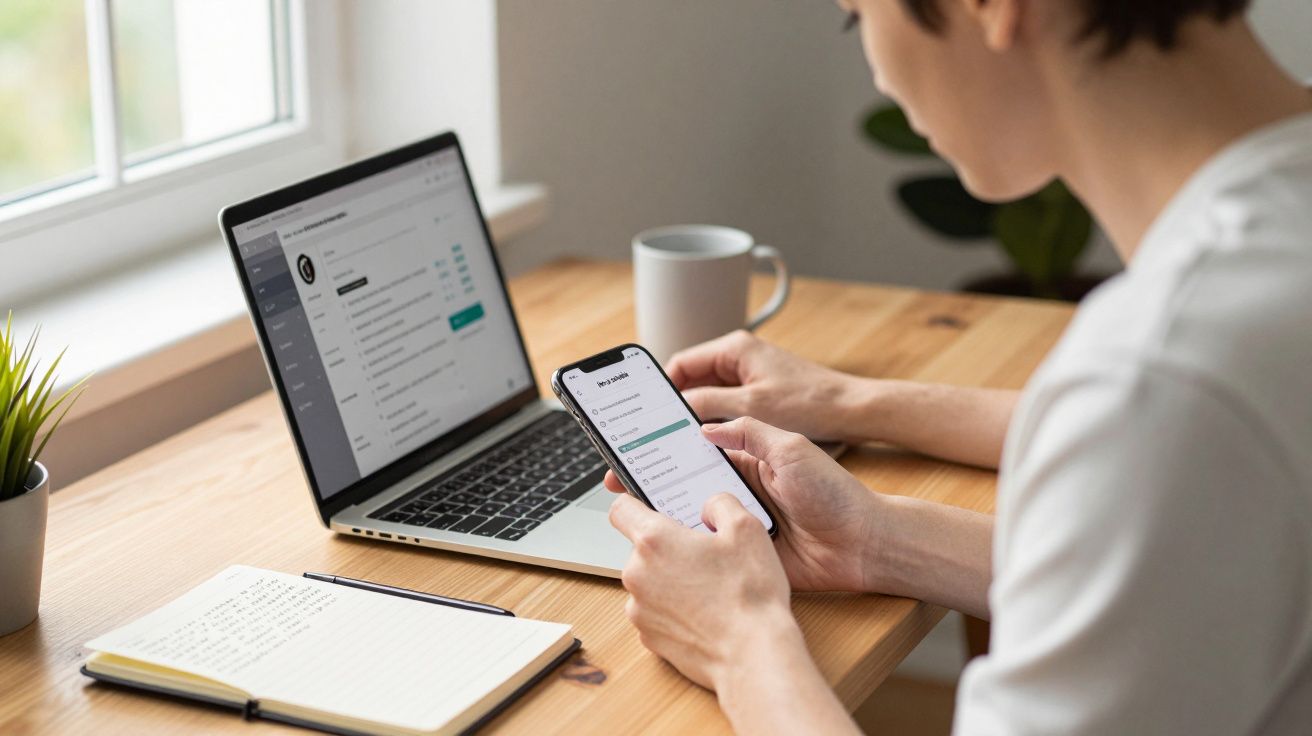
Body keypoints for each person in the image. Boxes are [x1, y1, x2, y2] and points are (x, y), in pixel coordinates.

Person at [602, 0, 1312, 733]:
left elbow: (1162, 440)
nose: (877, 73)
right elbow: (1200, 581)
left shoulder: (1163, 376)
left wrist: (740, 645)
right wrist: (875, 537)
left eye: (857, 16)